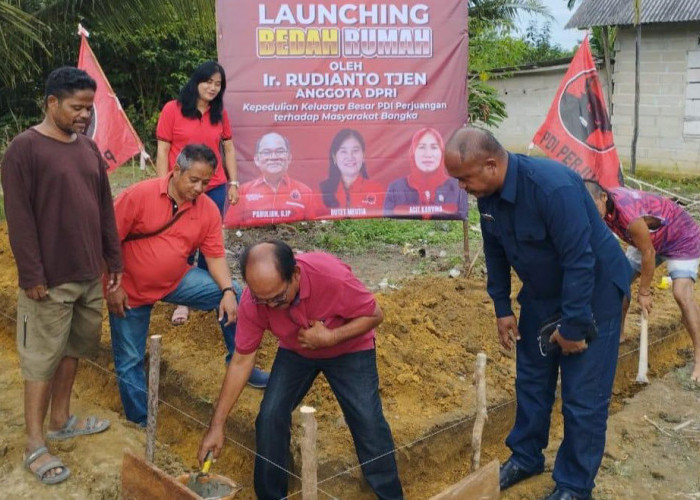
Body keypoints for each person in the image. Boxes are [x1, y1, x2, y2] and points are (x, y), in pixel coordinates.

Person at [444, 127, 631, 500]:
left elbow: (580, 261)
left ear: (491, 164)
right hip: (543, 295)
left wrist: (575, 327)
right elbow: (495, 253)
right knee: (531, 380)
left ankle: (575, 485)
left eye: (464, 178)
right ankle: (527, 456)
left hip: (594, 292)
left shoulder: (552, 188)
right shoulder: (488, 196)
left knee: (582, 396)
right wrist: (502, 307)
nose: (461, 187)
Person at [198, 241, 403, 500]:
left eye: (278, 298)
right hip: (298, 350)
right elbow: (241, 361)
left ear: (294, 275)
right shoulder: (254, 301)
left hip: (350, 349)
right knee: (270, 416)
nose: (271, 306)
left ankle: (391, 495)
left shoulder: (330, 276)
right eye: (263, 300)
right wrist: (217, 425)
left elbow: (375, 314)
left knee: (368, 421)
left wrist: (330, 338)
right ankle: (272, 495)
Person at [1, 67, 123, 485]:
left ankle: (61, 419)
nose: (85, 115)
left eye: (89, 108)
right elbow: (18, 218)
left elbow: (104, 208)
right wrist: (32, 273)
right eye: (77, 107)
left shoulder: (88, 149)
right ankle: (35, 443)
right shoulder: (24, 149)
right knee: (40, 359)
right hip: (48, 280)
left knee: (74, 346)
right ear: (51, 103)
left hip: (89, 274)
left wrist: (113, 263)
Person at [107, 144, 268, 426]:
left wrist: (228, 291)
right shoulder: (138, 196)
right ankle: (141, 422)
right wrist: (110, 287)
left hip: (175, 281)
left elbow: (215, 255)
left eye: (206, 182)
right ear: (176, 170)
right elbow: (106, 242)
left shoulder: (206, 209)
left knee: (237, 296)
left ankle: (240, 362)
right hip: (130, 289)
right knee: (130, 358)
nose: (199, 188)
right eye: (194, 180)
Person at [585, 180, 700, 381]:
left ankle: (699, 358)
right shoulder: (603, 206)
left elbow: (649, 253)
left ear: (603, 197)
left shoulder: (629, 216)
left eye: (594, 207)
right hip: (647, 239)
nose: (592, 214)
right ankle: (618, 336)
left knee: (682, 294)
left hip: (681, 238)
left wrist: (644, 291)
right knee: (617, 283)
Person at [156, 61, 240, 326]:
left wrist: (233, 182)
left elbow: (228, 149)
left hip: (213, 187)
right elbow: (162, 150)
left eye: (218, 85)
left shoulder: (219, 114)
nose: (213, 88)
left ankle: (205, 292)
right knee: (182, 240)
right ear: (196, 81)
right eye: (209, 82)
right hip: (180, 188)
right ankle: (182, 299)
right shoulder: (173, 109)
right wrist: (162, 186)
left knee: (209, 241)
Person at [223, 132, 314, 227]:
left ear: (289, 158)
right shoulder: (243, 192)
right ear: (257, 159)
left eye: (280, 151)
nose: (273, 157)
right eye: (266, 152)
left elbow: (312, 229)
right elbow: (230, 228)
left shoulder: (304, 192)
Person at [384, 127, 467, 219]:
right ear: (413, 153)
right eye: (422, 147)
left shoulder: (457, 187)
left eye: (434, 147)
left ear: (442, 152)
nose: (428, 154)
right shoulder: (396, 187)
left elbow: (461, 215)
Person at [318, 128, 384, 218]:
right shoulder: (321, 191)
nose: (350, 157)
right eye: (343, 151)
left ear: (363, 155)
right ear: (334, 157)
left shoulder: (377, 190)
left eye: (355, 151)